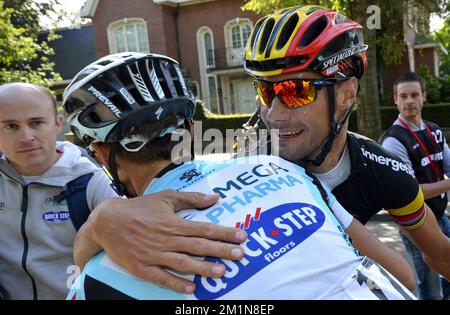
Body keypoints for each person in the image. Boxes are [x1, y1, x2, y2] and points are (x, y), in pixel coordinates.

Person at [71, 5, 450, 294]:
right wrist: (103, 219)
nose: (273, 112)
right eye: (265, 91)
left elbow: (437, 256)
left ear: (347, 93)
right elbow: (170, 179)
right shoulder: (250, 152)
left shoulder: (383, 170)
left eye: (294, 91)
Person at [0, 83, 120, 299]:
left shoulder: (90, 182)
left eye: (36, 123)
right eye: (11, 126)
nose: (26, 137)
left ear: (57, 125)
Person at [380, 71, 450, 300]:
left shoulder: (435, 131)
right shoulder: (393, 141)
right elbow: (411, 192)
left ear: (424, 97)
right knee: (429, 288)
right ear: (395, 100)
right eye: (403, 96)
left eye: (414, 95)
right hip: (415, 224)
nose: (409, 100)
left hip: (440, 216)